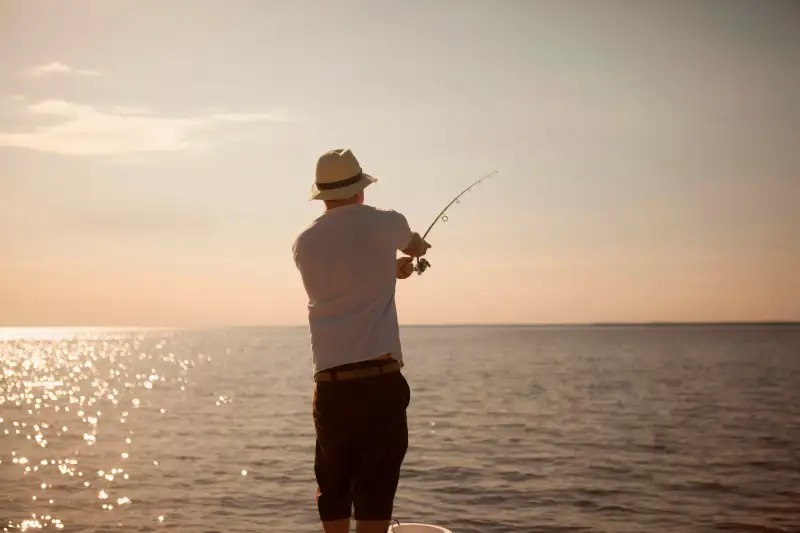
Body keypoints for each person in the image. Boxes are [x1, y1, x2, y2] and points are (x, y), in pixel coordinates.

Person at [292, 148, 431, 533]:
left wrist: (390, 271)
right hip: (379, 381)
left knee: (333, 484)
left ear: (322, 195)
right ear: (361, 190)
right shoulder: (387, 222)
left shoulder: (304, 243)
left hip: (331, 387)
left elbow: (345, 279)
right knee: (376, 485)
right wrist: (411, 254)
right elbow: (414, 245)